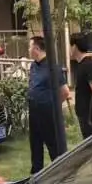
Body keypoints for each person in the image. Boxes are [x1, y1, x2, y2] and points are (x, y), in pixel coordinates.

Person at [26, 35, 71, 175]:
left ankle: (60, 174)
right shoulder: (33, 66)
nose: (28, 49)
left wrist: (52, 104)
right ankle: (36, 173)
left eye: (29, 46)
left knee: (53, 146)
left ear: (36, 49)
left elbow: (65, 91)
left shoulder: (53, 67)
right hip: (34, 114)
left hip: (49, 115)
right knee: (35, 145)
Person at [69, 33, 92, 139]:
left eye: (70, 45)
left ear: (74, 46)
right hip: (83, 114)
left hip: (89, 116)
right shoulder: (81, 65)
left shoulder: (89, 65)